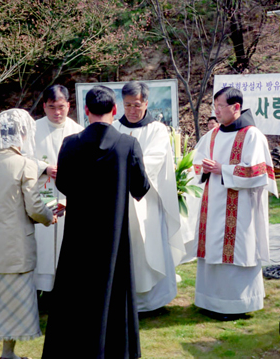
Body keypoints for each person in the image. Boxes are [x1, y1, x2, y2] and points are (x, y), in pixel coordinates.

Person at [42, 85, 149, 358]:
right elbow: (141, 188)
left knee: (76, 294)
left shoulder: (71, 143)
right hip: (114, 238)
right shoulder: (128, 145)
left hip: (79, 236)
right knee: (114, 294)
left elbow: (63, 183)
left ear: (86, 111)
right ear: (115, 110)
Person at [0, 109, 56, 359]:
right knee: (13, 302)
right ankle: (8, 352)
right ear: (20, 134)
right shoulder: (24, 164)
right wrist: (51, 216)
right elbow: (35, 208)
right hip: (15, 247)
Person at [192, 87, 278, 320]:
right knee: (212, 250)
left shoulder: (252, 135)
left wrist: (223, 170)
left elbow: (260, 173)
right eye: (215, 106)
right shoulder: (212, 135)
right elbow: (196, 162)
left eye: (220, 106)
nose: (216, 111)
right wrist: (204, 169)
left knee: (237, 252)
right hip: (213, 205)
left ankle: (237, 304)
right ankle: (210, 300)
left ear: (236, 107)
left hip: (239, 208)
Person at [111, 81, 184, 313]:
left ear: (147, 103)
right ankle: (124, 300)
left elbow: (152, 161)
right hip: (120, 201)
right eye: (128, 105)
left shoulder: (157, 129)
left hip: (147, 199)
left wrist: (120, 173)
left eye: (137, 105)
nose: (132, 110)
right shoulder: (114, 128)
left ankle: (154, 302)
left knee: (150, 248)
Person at [33, 84, 84, 295]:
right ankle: (41, 287)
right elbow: (22, 159)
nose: (57, 112)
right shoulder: (33, 130)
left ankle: (66, 288)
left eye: (61, 107)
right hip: (41, 193)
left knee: (67, 239)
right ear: (44, 106)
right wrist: (44, 168)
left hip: (67, 196)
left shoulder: (79, 131)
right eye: (52, 107)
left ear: (69, 106)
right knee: (42, 242)